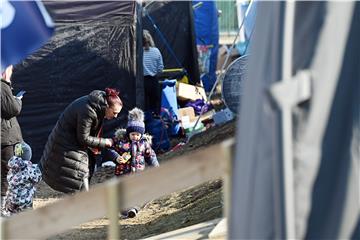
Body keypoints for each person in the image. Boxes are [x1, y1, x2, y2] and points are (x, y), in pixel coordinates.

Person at [39, 88, 123, 193]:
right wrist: (105, 142)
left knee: (83, 175)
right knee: (81, 175)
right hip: (65, 145)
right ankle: (85, 203)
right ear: (107, 107)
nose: (116, 116)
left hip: (72, 143)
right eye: (114, 112)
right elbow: (83, 138)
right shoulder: (88, 110)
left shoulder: (97, 107)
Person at [108, 107, 159, 218]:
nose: (135, 136)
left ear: (141, 134)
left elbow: (151, 155)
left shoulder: (144, 144)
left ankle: (134, 209)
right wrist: (116, 157)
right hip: (123, 173)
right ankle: (124, 209)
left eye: (137, 134)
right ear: (128, 133)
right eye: (132, 134)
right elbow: (110, 150)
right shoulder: (121, 142)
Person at [1, 65, 23, 208]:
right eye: (10, 70)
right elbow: (12, 109)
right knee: (6, 173)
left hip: (7, 137)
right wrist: (18, 100)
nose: (11, 72)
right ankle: (3, 207)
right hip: (5, 139)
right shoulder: (2, 86)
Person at [3, 142, 41, 217]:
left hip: (12, 200)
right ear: (28, 155)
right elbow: (37, 178)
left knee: (12, 217)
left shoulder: (12, 168)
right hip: (25, 201)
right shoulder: (29, 168)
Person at [143, 29, 164, 115]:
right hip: (154, 81)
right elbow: (160, 68)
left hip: (142, 83)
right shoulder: (156, 51)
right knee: (155, 107)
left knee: (144, 107)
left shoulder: (137, 52)